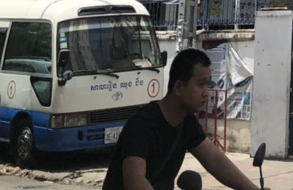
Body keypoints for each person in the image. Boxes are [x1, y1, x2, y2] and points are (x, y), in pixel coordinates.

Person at [103, 48, 260, 190]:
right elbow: (135, 182)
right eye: (201, 84)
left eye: (208, 84)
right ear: (178, 87)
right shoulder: (142, 124)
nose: (206, 92)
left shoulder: (187, 122)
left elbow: (214, 160)